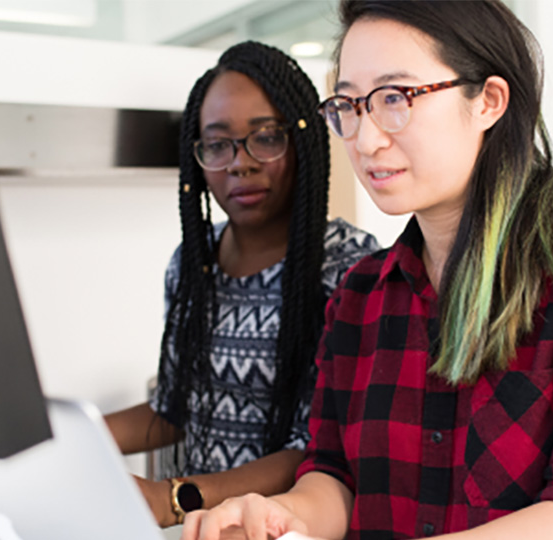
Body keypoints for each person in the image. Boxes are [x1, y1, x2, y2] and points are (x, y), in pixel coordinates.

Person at [182, 1, 553, 539]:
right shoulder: (360, 294)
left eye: (395, 98)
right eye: (350, 105)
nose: (365, 139)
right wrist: (283, 517)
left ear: (489, 102)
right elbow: (334, 476)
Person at [104, 41, 379, 528]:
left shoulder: (348, 268)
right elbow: (174, 408)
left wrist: (174, 498)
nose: (240, 163)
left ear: (303, 141)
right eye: (218, 144)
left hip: (284, 528)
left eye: (266, 138)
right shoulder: (193, 263)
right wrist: (67, 439)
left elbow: (318, 448)